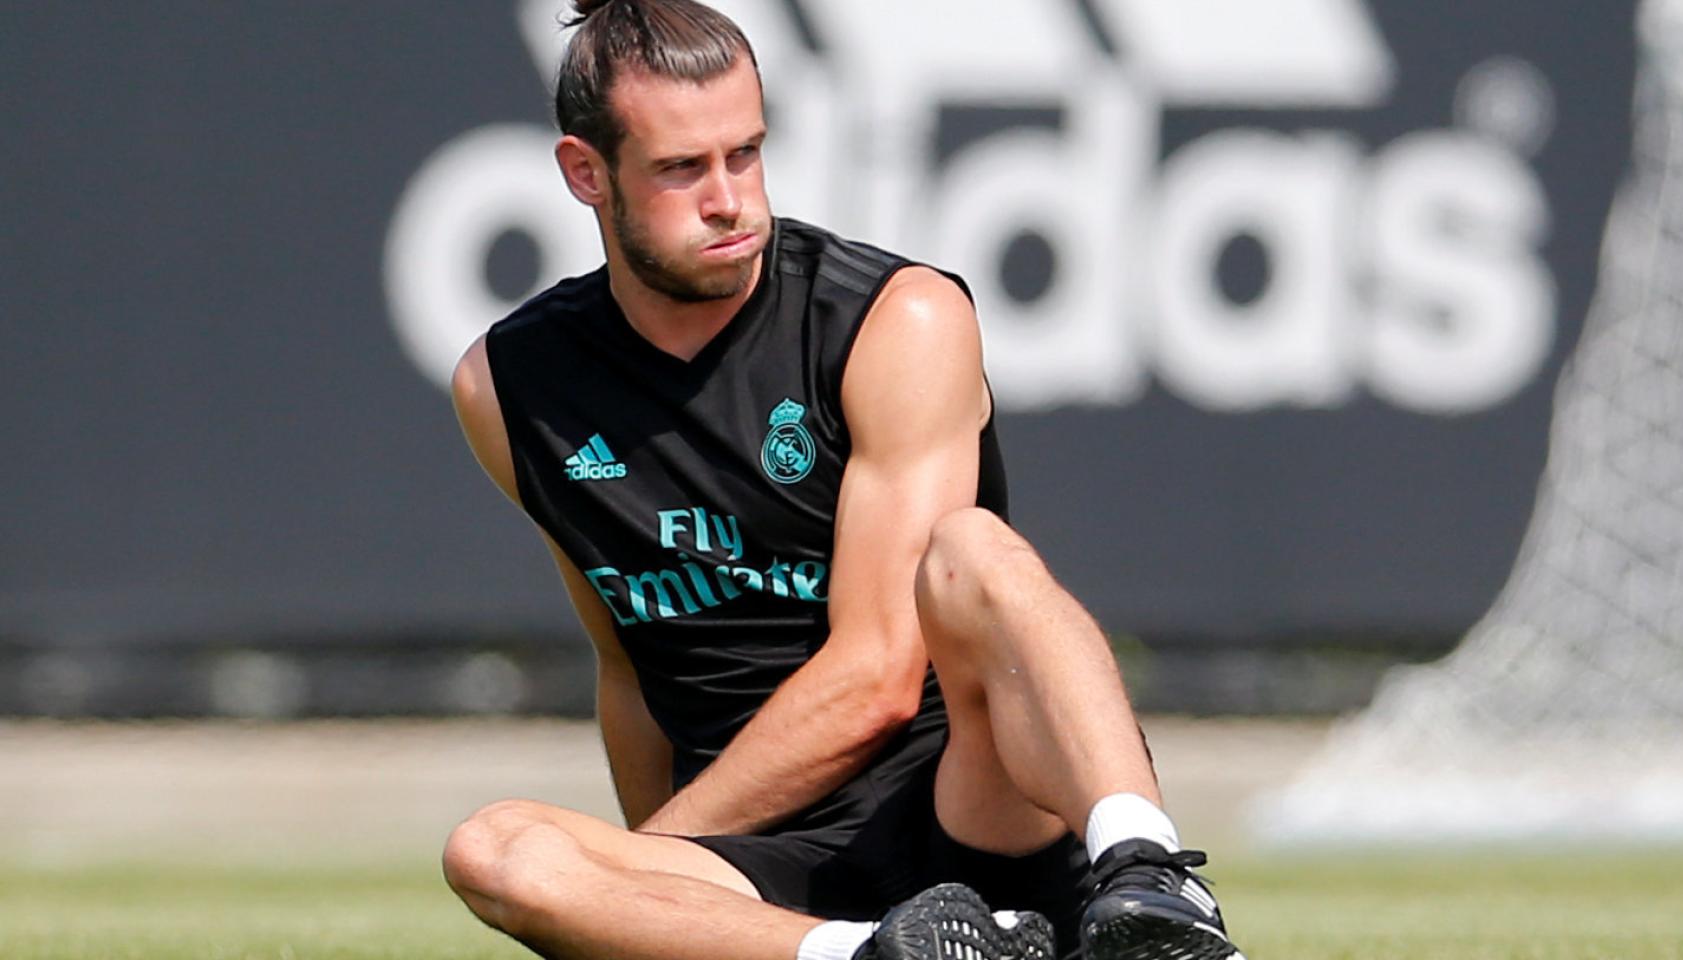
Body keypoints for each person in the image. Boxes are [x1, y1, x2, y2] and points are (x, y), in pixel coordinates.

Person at [440, 2, 1244, 959]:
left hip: (963, 802)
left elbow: (879, 678)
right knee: (490, 849)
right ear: (586, 173)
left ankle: (1147, 884)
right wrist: (668, 907)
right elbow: (628, 666)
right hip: (763, 860)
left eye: (746, 154)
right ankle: (868, 955)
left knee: (974, 551)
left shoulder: (892, 318)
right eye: (680, 168)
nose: (730, 198)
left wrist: (642, 868)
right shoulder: (508, 386)